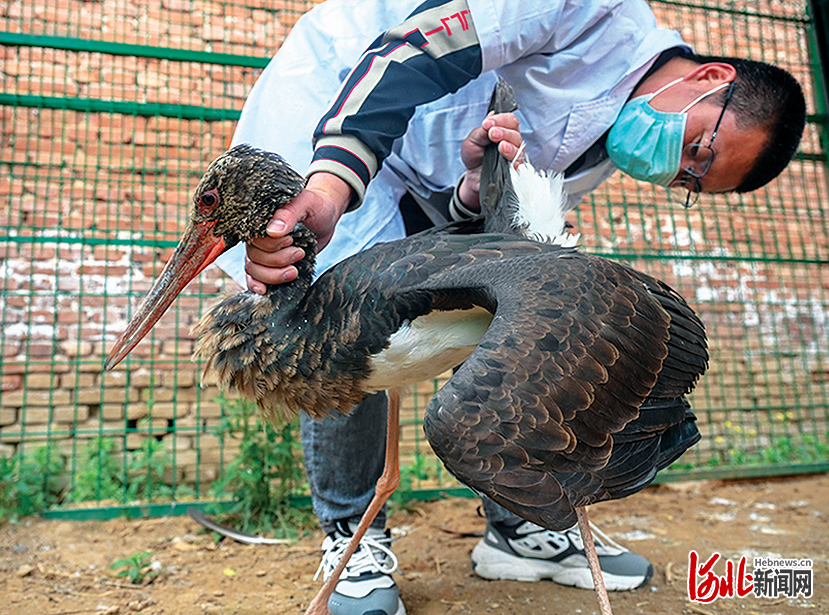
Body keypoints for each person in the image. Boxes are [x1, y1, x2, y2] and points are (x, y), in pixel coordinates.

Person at [213, 1, 807, 614]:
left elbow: (469, 244)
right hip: (339, 110)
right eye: (701, 153)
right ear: (710, 79)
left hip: (425, 183)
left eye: (690, 182)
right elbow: (418, 49)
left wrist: (472, 194)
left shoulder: (600, 151)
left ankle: (520, 529)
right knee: (331, 335)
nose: (677, 171)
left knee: (489, 329)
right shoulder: (590, 8)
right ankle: (350, 541)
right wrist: (333, 183)